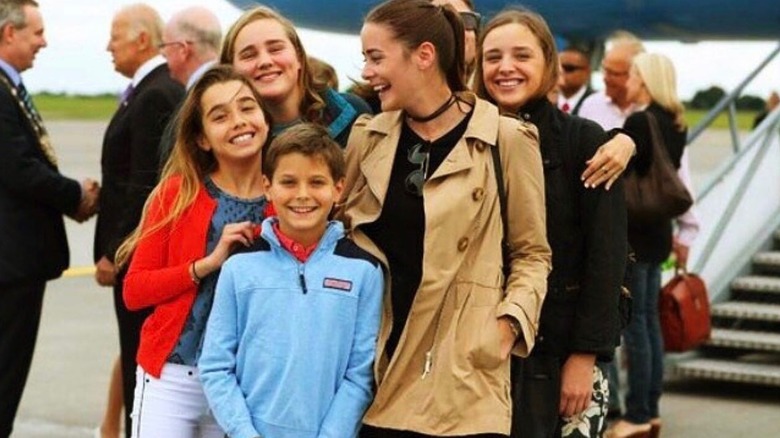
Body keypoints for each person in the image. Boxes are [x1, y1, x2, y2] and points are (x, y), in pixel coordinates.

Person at [338, 1, 552, 436]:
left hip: (461, 374)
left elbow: (532, 253)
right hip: (377, 364)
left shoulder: (505, 139)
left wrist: (506, 326)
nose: (367, 73)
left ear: (424, 55)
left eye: (376, 58)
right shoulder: (367, 137)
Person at [474, 8, 628, 437]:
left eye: (521, 56)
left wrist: (585, 356)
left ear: (547, 64)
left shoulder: (583, 140)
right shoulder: (470, 138)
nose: (505, 68)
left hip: (563, 352)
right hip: (487, 351)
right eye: (493, 57)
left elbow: (608, 254)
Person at [199, 123, 383, 438]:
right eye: (288, 182)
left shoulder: (364, 270)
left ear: (338, 189)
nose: (302, 195)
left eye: (316, 182)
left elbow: (360, 373)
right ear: (267, 186)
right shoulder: (240, 267)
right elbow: (216, 366)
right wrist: (244, 432)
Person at [115, 65, 269, 437]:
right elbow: (134, 291)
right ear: (202, 138)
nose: (238, 121)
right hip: (172, 373)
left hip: (242, 380)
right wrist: (207, 264)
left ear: (264, 117)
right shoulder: (177, 193)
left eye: (247, 107)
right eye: (220, 116)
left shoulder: (286, 199)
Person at [0, 1, 98, 435]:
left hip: (15, 262)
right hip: (10, 265)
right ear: (9, 34)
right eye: (37, 32)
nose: (45, 41)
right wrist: (75, 195)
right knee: (5, 373)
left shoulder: (10, 86)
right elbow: (19, 168)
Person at [94, 4, 184, 436]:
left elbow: (144, 186)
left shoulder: (155, 93)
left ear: (143, 40)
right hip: (132, 253)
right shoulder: (148, 89)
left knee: (138, 366)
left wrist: (116, 251)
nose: (108, 46)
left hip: (135, 259)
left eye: (115, 36)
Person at [605, 53, 692, 438]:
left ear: (648, 79)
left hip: (635, 232)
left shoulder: (640, 120)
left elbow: (623, 164)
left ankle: (636, 414)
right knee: (650, 323)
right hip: (659, 230)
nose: (629, 80)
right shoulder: (675, 121)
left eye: (635, 73)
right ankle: (651, 408)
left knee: (635, 326)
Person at [220, 6, 371, 147]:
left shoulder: (354, 114)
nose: (265, 62)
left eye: (275, 49)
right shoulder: (231, 143)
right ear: (230, 71)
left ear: (299, 56)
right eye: (249, 55)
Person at [157, 5, 221, 169]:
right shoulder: (236, 87)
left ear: (183, 49)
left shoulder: (200, 97)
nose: (162, 53)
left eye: (165, 45)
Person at [557, 44, 594, 115]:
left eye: (569, 68)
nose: (561, 72)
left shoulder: (595, 104)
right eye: (558, 67)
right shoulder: (546, 100)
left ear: (587, 72)